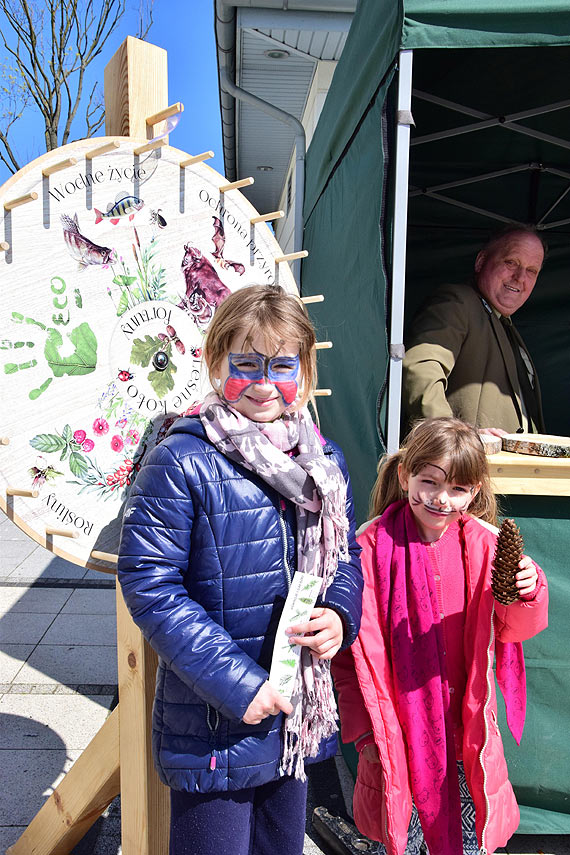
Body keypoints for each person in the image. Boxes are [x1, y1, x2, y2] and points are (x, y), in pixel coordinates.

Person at [118, 284, 363, 855]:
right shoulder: (183, 458)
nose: (261, 383)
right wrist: (236, 684)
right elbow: (151, 584)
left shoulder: (322, 459)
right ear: (214, 362)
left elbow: (344, 554)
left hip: (293, 721)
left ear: (303, 371)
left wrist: (339, 615)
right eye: (245, 364)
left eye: (280, 366)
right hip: (215, 724)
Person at [332, 417, 548, 855]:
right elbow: (348, 659)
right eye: (429, 481)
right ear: (403, 474)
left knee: (468, 843)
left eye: (457, 489)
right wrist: (362, 735)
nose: (441, 499)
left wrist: (529, 589)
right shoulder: (367, 548)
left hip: (467, 738)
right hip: (397, 738)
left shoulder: (488, 545)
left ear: (475, 490)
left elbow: (516, 627)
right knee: (400, 841)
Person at [402, 227, 547, 436]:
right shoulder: (457, 301)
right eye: (511, 262)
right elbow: (420, 369)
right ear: (481, 261)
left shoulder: (504, 324)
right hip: (462, 465)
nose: (519, 277)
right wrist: (454, 439)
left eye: (532, 271)